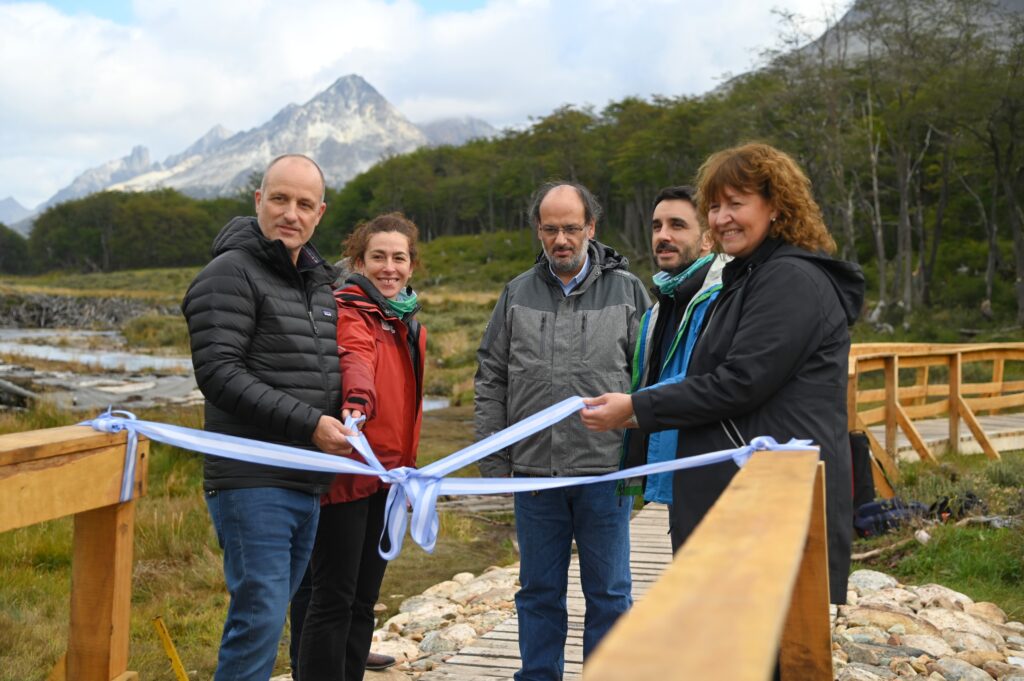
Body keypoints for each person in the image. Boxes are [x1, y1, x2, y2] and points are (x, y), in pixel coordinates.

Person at [581, 143, 864, 604]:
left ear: (776, 206)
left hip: (770, 508)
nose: (722, 217)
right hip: (744, 500)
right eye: (714, 206)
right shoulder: (751, 277)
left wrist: (636, 409)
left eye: (737, 203)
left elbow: (739, 383)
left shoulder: (789, 280)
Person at [182, 153, 354, 680]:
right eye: (279, 199)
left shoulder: (318, 282)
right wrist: (310, 423)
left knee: (271, 616)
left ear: (320, 213)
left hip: (306, 479)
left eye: (304, 204)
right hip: (251, 480)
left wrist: (348, 409)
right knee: (258, 619)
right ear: (258, 200)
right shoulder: (229, 273)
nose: (291, 213)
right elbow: (219, 373)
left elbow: (317, 368)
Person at [475, 181, 650, 680]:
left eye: (572, 228)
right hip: (535, 476)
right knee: (537, 593)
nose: (561, 240)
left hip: (605, 473)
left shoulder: (629, 291)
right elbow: (491, 377)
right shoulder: (515, 293)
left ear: (591, 229)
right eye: (550, 229)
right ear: (539, 231)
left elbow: (649, 381)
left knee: (610, 593)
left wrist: (643, 461)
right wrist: (495, 463)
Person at [298, 213, 426, 681]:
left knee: (363, 600)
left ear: (411, 265)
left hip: (388, 482)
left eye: (399, 258)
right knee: (332, 598)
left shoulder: (407, 322)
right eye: (378, 257)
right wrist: (357, 404)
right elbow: (356, 359)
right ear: (358, 261)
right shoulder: (350, 310)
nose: (388, 268)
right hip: (347, 476)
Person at [618, 186, 728, 529]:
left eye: (677, 225)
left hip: (715, 475)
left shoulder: (725, 299)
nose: (662, 236)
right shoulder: (659, 308)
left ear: (708, 239)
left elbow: (718, 382)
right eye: (656, 226)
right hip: (676, 476)